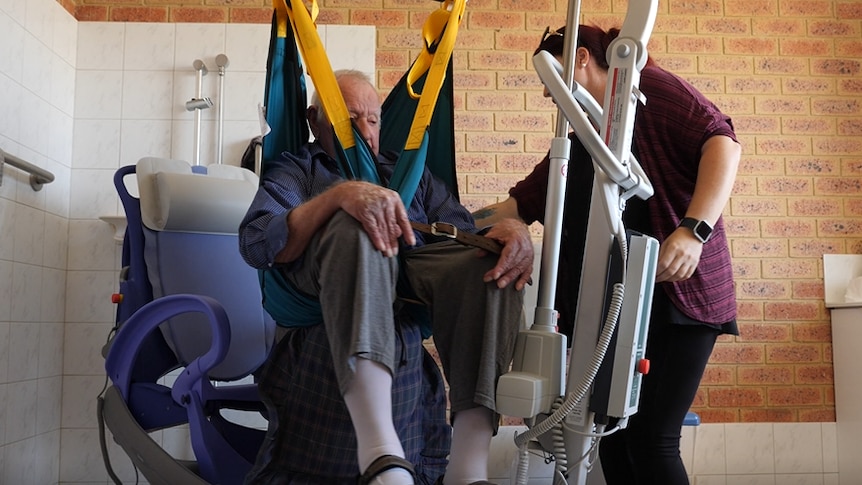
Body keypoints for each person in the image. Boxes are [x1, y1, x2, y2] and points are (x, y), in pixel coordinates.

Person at [239, 69, 534, 485]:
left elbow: (462, 234)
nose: (364, 131)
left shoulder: (411, 175)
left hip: (408, 287)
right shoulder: (297, 169)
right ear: (313, 120)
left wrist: (508, 233)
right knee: (354, 222)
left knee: (490, 264)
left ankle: (469, 468)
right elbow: (257, 242)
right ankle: (380, 453)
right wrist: (340, 197)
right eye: (348, 120)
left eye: (373, 120)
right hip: (320, 294)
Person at [474, 25, 741, 485]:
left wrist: (693, 231)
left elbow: (722, 142)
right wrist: (436, 217)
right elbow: (516, 206)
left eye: (550, 77)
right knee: (610, 436)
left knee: (653, 439)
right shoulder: (581, 136)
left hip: (677, 293)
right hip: (612, 305)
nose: (545, 93)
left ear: (580, 58)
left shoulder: (648, 88)